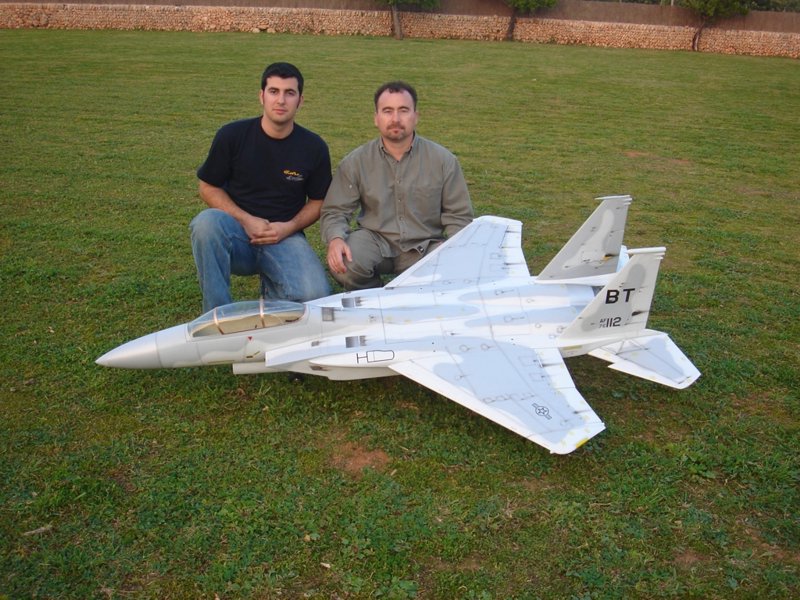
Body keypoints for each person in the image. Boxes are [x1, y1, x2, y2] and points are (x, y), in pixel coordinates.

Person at [190, 62, 332, 312]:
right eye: (274, 91)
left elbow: (319, 201)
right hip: (237, 233)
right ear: (262, 96)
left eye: (289, 93)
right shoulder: (232, 136)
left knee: (315, 295)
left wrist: (288, 227)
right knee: (205, 224)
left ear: (300, 100)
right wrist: (245, 220)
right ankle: (216, 314)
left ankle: (272, 294)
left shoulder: (314, 147)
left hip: (284, 236)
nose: (281, 100)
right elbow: (208, 186)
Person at [320, 81, 473, 290]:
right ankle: (376, 298)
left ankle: (415, 298)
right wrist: (336, 238)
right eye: (387, 111)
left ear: (416, 116)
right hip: (375, 241)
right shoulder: (355, 162)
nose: (395, 119)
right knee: (347, 263)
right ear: (376, 118)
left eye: (403, 110)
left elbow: (458, 216)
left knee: (451, 268)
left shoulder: (443, 160)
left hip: (426, 246)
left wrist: (458, 254)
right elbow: (335, 211)